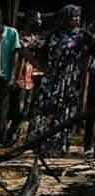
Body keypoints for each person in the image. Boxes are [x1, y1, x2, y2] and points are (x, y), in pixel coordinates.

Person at [28, 5, 94, 156]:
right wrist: (41, 67)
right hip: (51, 80)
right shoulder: (53, 35)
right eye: (73, 16)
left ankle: (60, 147)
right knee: (46, 110)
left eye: (78, 16)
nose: (76, 19)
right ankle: (41, 145)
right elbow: (31, 49)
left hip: (70, 80)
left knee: (65, 113)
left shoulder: (83, 36)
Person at [9, 11, 43, 144]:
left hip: (35, 78)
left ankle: (26, 136)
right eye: (36, 18)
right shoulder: (21, 36)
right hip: (22, 76)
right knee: (19, 108)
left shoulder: (39, 38)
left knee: (30, 108)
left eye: (40, 19)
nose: (38, 22)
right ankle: (12, 133)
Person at [0, 8, 20, 146]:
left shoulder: (12, 33)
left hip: (5, 76)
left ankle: (1, 138)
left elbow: (15, 55)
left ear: (1, 18)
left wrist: (12, 76)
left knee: (3, 109)